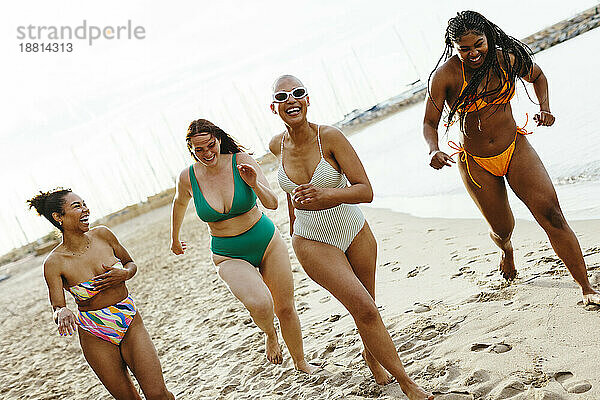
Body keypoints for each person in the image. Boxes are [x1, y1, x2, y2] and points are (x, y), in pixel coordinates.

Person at [269, 75, 433, 400]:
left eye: (298, 93)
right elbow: (292, 193)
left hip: (353, 230)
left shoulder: (329, 136)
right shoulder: (276, 145)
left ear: (307, 100)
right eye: (282, 96)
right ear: (273, 107)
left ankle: (371, 356)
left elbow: (365, 191)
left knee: (367, 308)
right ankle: (408, 384)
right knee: (365, 309)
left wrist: (326, 197)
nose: (291, 99)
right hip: (312, 241)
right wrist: (293, 221)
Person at [423, 11, 600, 305]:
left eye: (478, 44)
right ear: (454, 46)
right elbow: (429, 122)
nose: (473, 53)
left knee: (552, 214)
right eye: (464, 48)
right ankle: (506, 250)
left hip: (515, 148)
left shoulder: (506, 58)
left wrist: (545, 106)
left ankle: (586, 288)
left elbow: (538, 75)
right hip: (476, 162)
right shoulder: (446, 76)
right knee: (502, 228)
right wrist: (433, 149)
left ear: (488, 37)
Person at [170, 118, 317, 374]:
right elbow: (179, 202)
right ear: (191, 151)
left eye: (210, 145)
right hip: (229, 254)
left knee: (284, 306)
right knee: (261, 303)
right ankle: (270, 334)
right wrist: (174, 238)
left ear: (218, 139)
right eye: (199, 150)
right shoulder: (188, 177)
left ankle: (301, 362)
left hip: (266, 241)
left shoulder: (241, 161)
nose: (206, 153)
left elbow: (272, 203)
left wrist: (253, 184)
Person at [27, 188, 175, 400]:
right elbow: (57, 306)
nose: (85, 209)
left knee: (158, 394)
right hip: (95, 333)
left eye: (84, 203)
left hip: (129, 319)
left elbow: (130, 264)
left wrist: (124, 274)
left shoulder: (103, 234)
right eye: (76, 206)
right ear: (58, 217)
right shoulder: (54, 262)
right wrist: (61, 312)